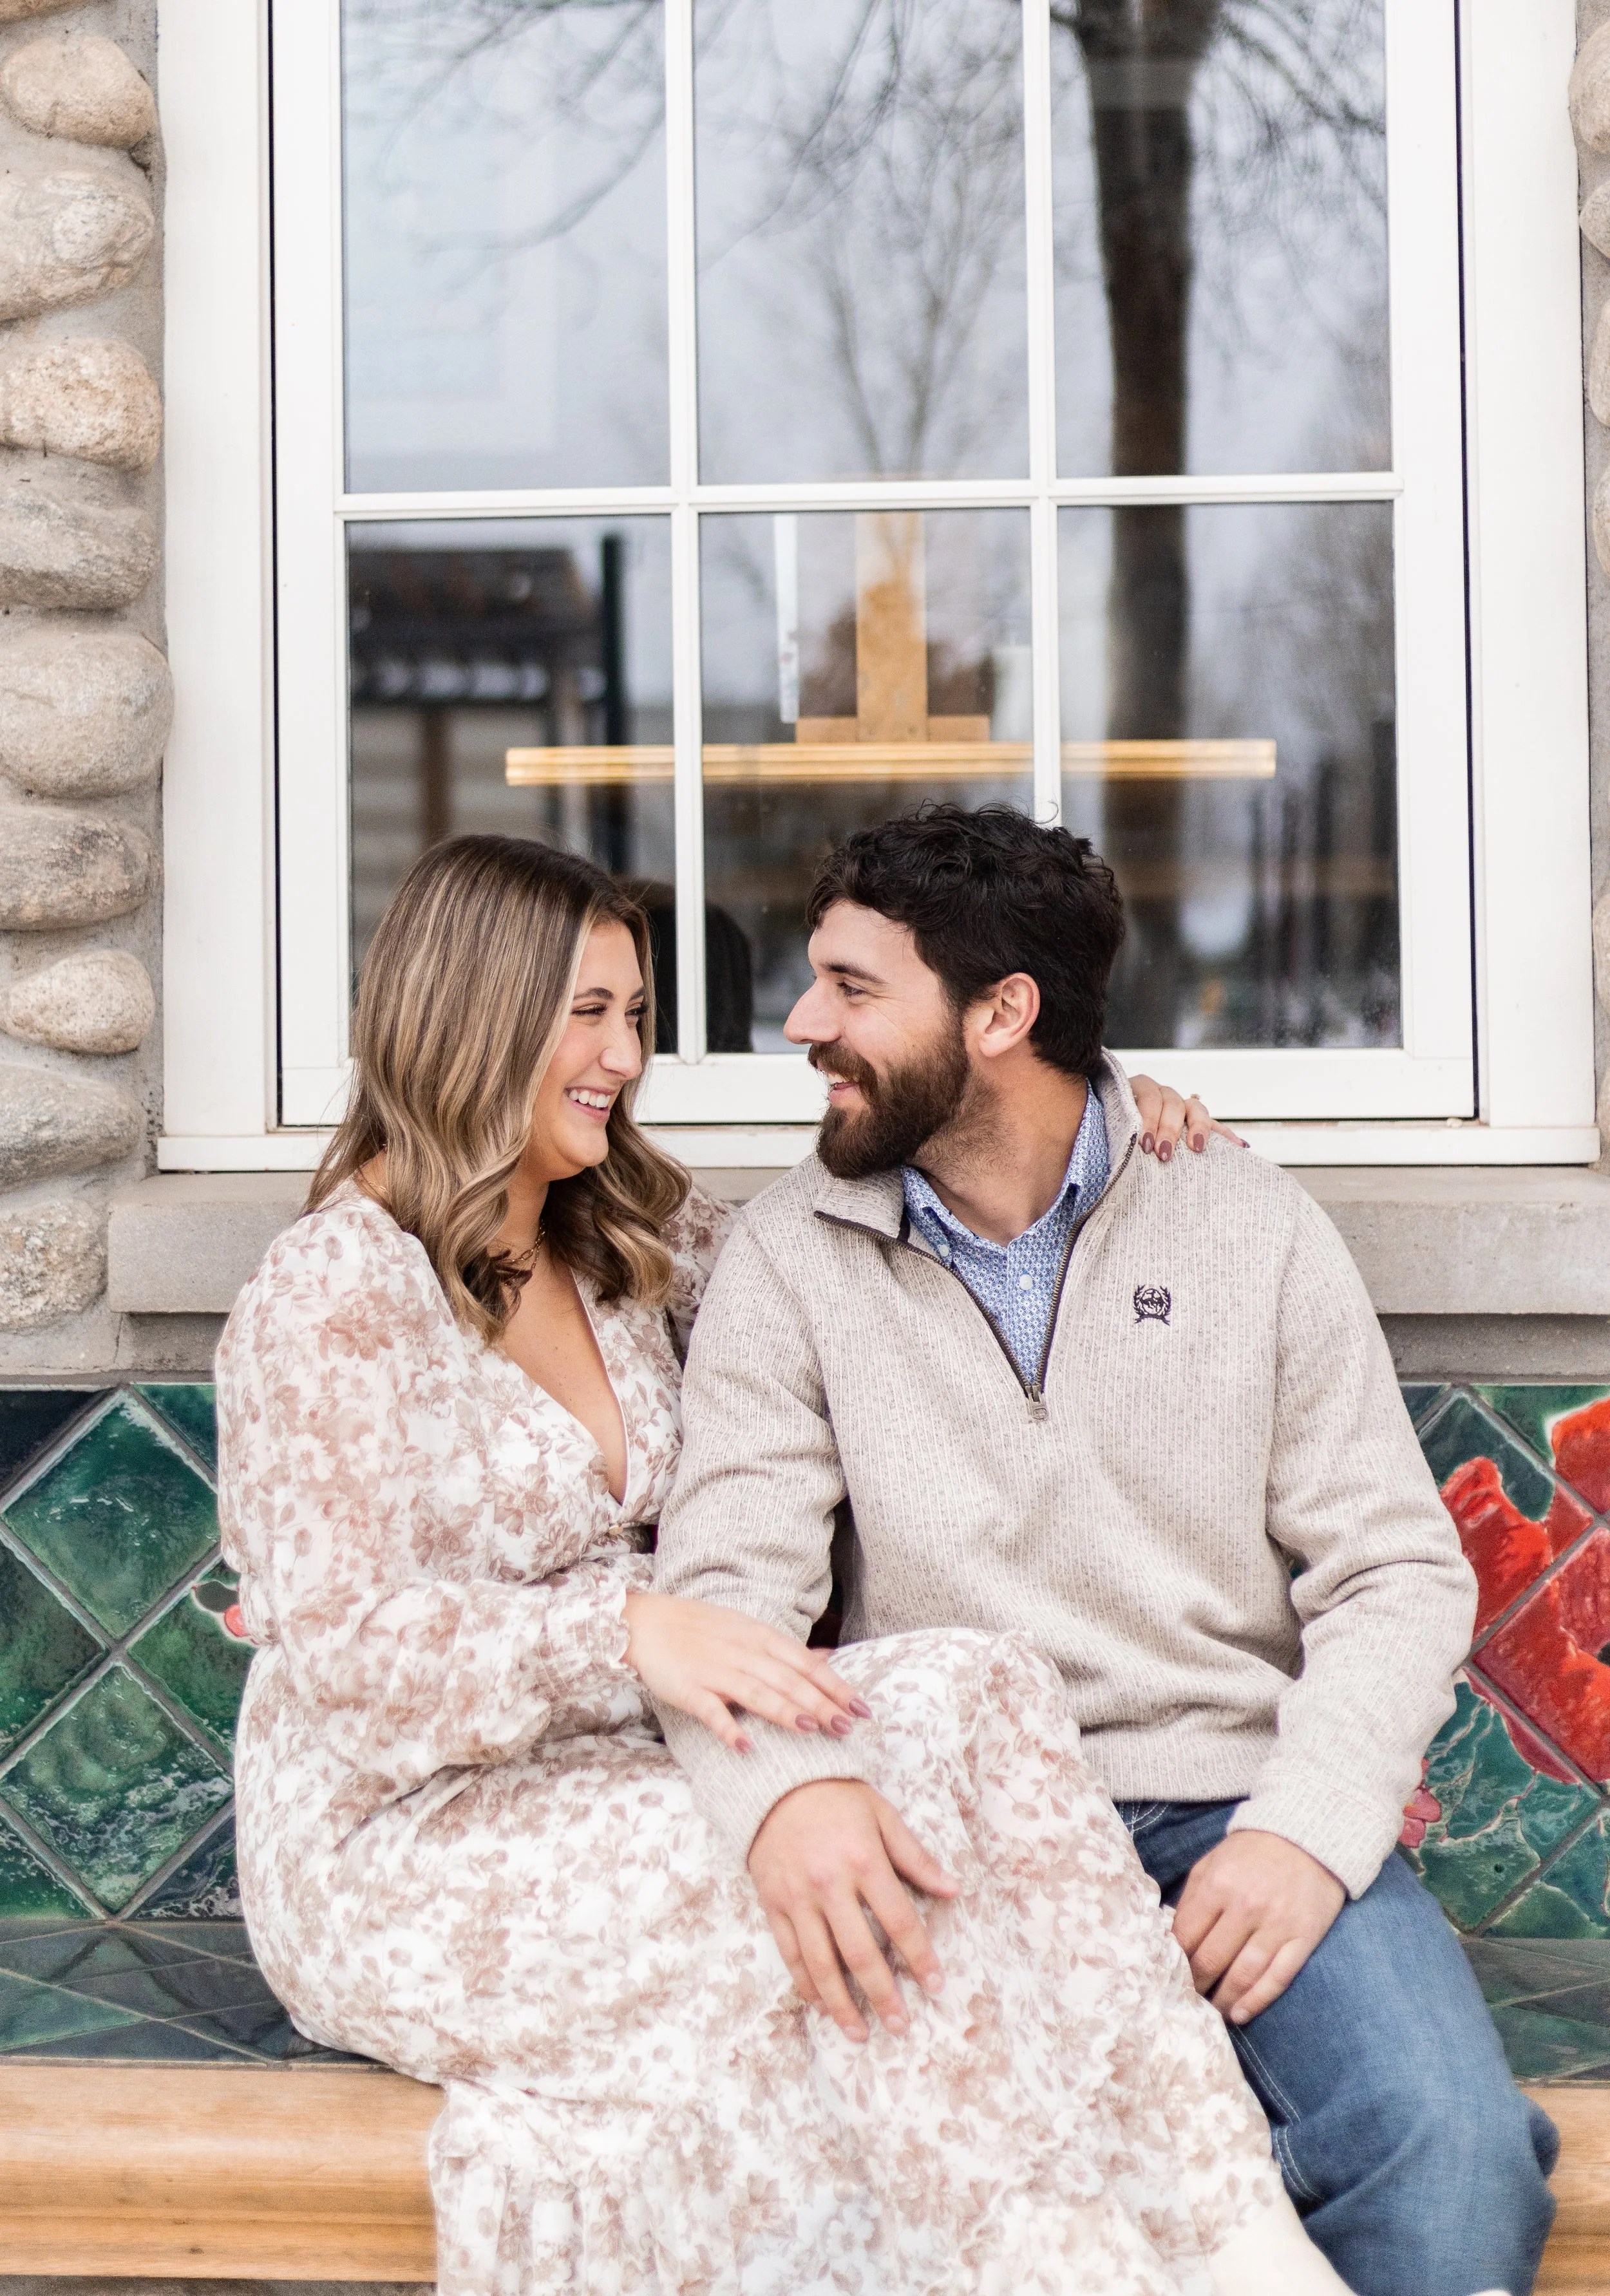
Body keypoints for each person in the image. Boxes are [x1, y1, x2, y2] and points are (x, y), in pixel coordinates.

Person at [216, 833, 1353, 2296]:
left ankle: (1235, 2244)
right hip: (397, 1843)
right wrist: (624, 1633)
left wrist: (1119, 1131)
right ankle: (1056, 2265)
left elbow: (880, 1203)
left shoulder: (628, 1236)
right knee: (888, 1906)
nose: (621, 1056)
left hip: (605, 1778)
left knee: (973, 1691)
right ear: (468, 1011)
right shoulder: (329, 1292)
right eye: (586, 1013)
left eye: (634, 1017)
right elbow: (347, 1662)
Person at [654, 805, 1557, 2296]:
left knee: (1449, 2156)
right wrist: (785, 1797)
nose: (805, 1024)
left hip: (1228, 1811)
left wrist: (1303, 1828)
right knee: (978, 2213)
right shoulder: (786, 1258)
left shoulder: (1246, 1226)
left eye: (852, 988)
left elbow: (1392, 1570)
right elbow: (724, 1589)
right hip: (953, 1828)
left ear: (1001, 1014)